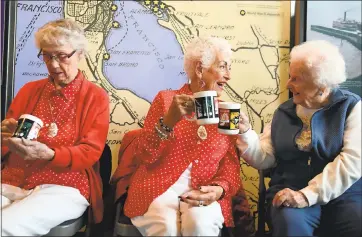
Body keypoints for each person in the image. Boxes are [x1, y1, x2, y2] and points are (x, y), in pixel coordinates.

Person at [236, 40, 361, 237]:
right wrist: (245, 132)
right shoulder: (284, 111)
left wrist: (308, 195)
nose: (288, 84)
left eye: (296, 79)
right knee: (290, 222)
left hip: (344, 195)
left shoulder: (351, 107)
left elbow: (352, 162)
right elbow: (265, 158)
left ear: (319, 83)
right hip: (289, 190)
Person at [123, 36, 243, 236]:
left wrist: (219, 190)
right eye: (223, 66)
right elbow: (144, 155)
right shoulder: (166, 100)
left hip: (203, 189)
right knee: (166, 229)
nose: (229, 75)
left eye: (229, 67)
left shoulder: (225, 111)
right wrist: (169, 120)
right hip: (157, 186)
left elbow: (230, 165)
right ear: (199, 69)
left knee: (200, 225)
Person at [1, 19, 109, 236]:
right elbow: (6, 142)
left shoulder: (95, 97)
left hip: (63, 185)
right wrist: (4, 135)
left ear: (79, 54)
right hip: (14, 177)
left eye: (61, 56)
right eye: (47, 55)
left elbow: (90, 152)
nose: (53, 64)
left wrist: (50, 154)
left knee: (6, 226)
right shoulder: (29, 90)